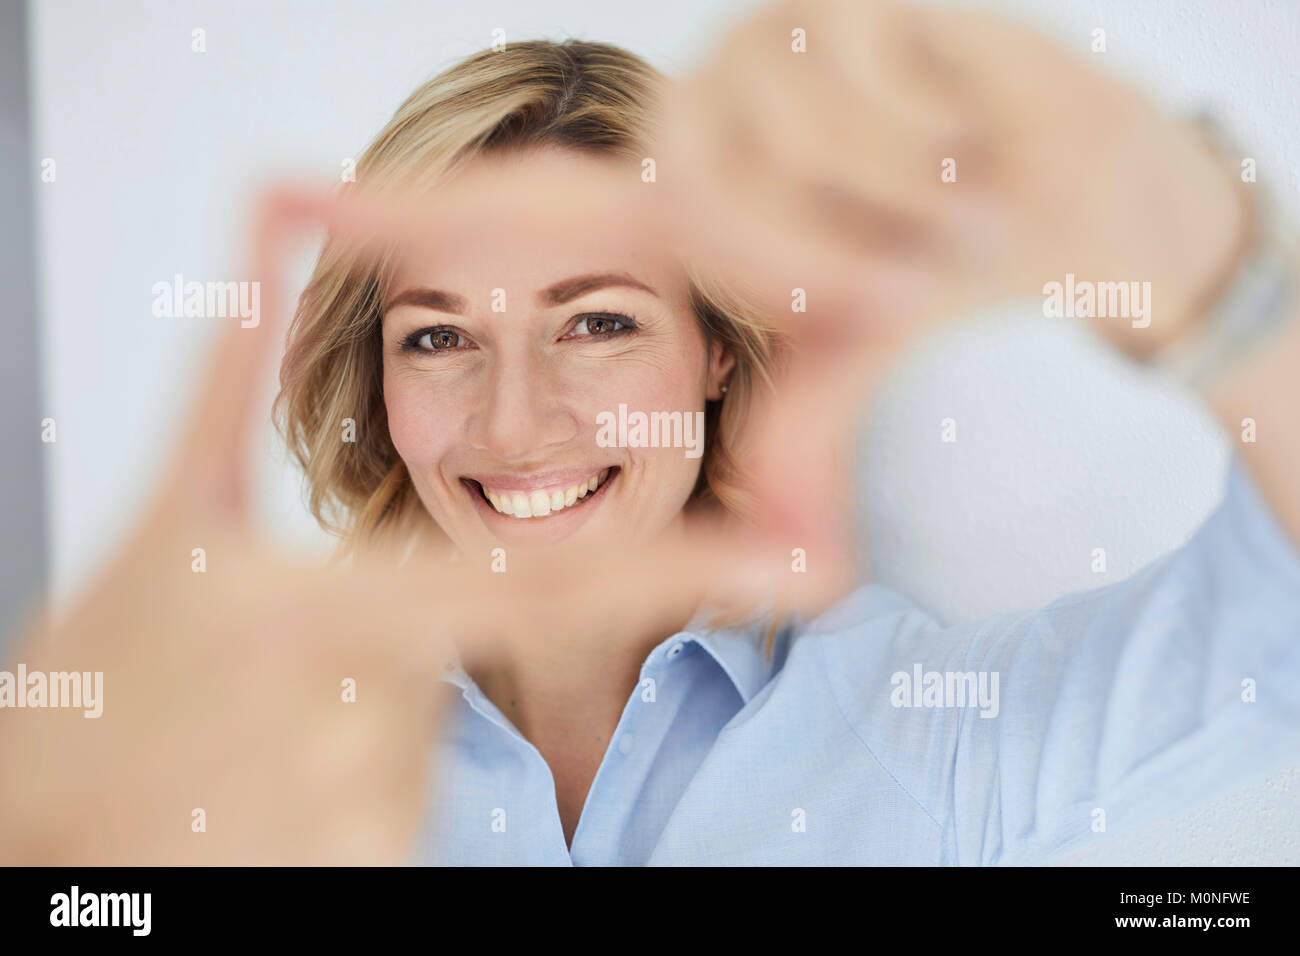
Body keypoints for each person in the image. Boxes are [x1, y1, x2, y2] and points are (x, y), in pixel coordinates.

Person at [1, 0, 1297, 865]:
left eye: (598, 323)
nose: (515, 423)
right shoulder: (251, 760)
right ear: (376, 385)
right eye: (438, 337)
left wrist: (1211, 269)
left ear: (720, 347)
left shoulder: (929, 725)